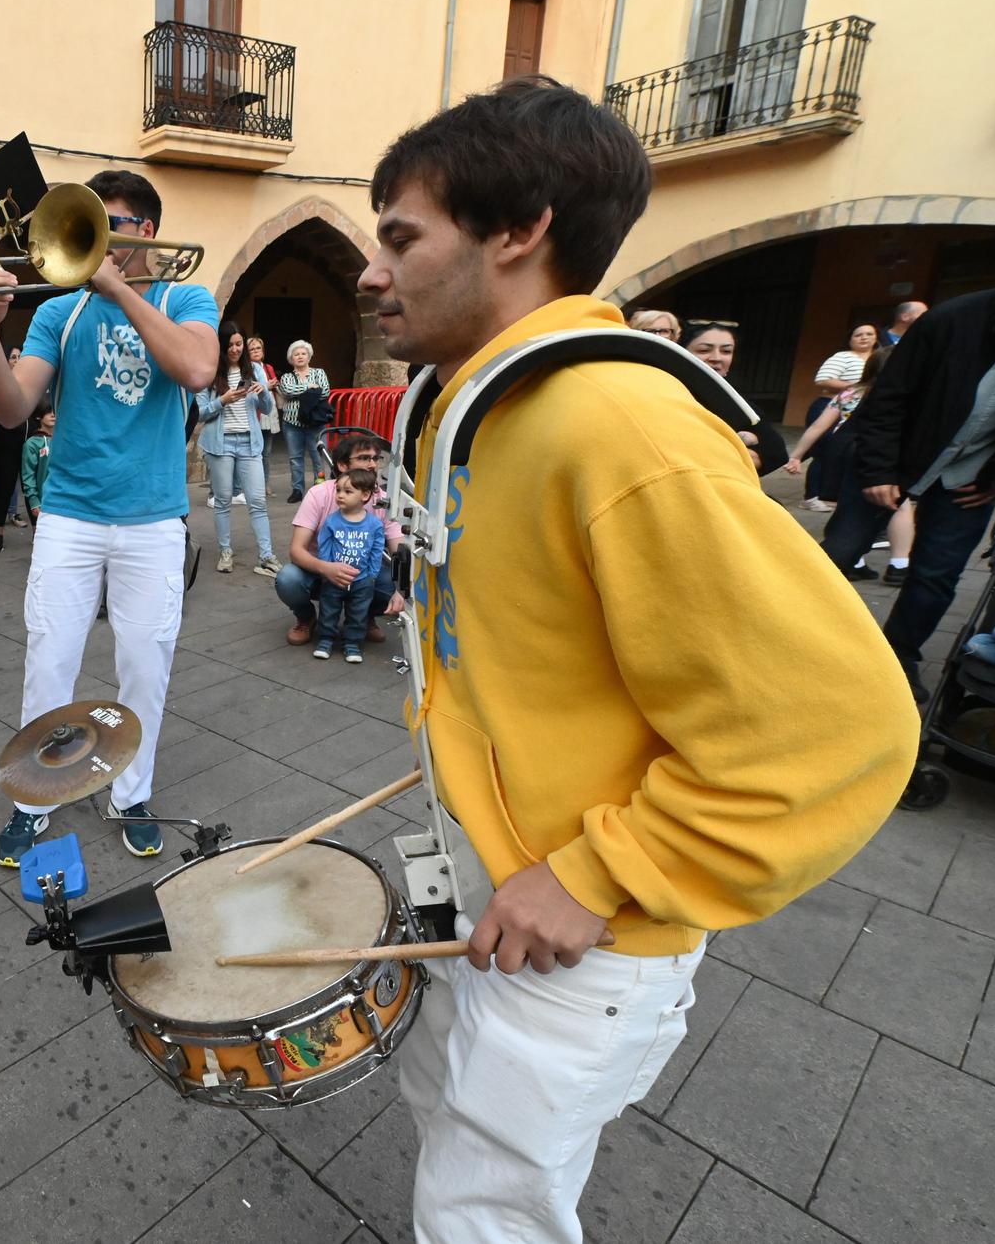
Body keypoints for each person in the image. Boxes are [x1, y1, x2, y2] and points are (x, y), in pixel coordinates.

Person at [359, 76, 911, 1241]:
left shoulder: (615, 426)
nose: (371, 270)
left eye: (400, 236)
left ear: (518, 231)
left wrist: (596, 869)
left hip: (582, 925)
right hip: (493, 877)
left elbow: (841, 725)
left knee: (483, 1215)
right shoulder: (479, 408)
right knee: (446, 1134)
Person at [0, 168, 220, 866]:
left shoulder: (187, 296)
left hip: (152, 517)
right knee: (50, 656)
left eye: (114, 226)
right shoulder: (59, 311)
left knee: (146, 662)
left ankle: (131, 792)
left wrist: (114, 286)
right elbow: (12, 409)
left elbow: (196, 369)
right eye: (93, 226)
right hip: (72, 514)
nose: (101, 241)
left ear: (146, 231)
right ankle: (33, 797)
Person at [819, 284, 995, 704]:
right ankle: (801, 643)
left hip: (969, 475)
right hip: (892, 459)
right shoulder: (953, 319)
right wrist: (877, 470)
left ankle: (897, 660)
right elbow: (888, 398)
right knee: (836, 555)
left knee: (937, 576)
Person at [791, 350, 911, 583]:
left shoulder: (851, 392)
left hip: (842, 451)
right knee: (899, 506)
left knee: (850, 512)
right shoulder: (901, 396)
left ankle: (856, 561)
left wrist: (796, 455)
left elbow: (818, 426)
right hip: (876, 458)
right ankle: (899, 564)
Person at [278, 436, 403, 646]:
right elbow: (296, 551)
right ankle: (306, 618)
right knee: (287, 579)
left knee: (395, 580)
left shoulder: (383, 499)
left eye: (376, 458)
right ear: (343, 465)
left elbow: (399, 549)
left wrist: (402, 590)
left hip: (362, 573)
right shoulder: (319, 494)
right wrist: (325, 568)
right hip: (318, 570)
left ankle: (364, 617)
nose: (373, 465)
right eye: (364, 458)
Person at [197, 326, 279, 576]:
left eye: (239, 344)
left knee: (258, 502)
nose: (235, 349)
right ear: (221, 346)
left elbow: (266, 409)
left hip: (249, 443)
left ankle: (266, 556)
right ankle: (225, 551)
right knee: (222, 502)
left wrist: (264, 392)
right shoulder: (209, 371)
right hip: (220, 445)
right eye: (230, 345)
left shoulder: (254, 370)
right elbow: (199, 412)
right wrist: (222, 401)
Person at [680, 324, 790, 476]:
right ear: (680, 353)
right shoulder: (667, 391)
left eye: (726, 351)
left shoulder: (736, 400)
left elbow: (776, 454)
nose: (716, 358)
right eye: (704, 350)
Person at [801, 323, 881, 511]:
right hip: (834, 405)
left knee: (845, 453)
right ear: (850, 340)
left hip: (860, 411)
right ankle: (812, 496)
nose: (864, 337)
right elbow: (823, 379)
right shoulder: (843, 357)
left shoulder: (879, 357)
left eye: (869, 334)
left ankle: (834, 495)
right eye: (858, 334)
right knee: (822, 451)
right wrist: (857, 388)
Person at [311, 468, 387, 663]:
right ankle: (326, 640)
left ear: (365, 495)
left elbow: (377, 550)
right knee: (329, 609)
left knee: (359, 613)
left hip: (362, 580)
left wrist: (372, 574)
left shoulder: (374, 524)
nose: (340, 495)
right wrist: (328, 570)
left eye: (348, 491)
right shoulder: (332, 521)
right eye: (338, 490)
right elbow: (325, 546)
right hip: (334, 578)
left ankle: (352, 644)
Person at [276, 339, 331, 502]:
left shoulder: (319, 373)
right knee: (295, 458)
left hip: (316, 423)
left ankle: (320, 488)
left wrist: (302, 391)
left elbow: (324, 391)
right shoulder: (287, 377)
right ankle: (297, 489)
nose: (300, 356)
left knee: (319, 457)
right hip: (292, 424)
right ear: (291, 358)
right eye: (296, 354)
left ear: (309, 356)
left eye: (303, 353)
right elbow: (287, 390)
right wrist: (309, 388)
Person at [0, 375, 29, 548]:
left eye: (20, 356)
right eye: (13, 357)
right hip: (5, 445)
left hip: (30, 442)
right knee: (4, 489)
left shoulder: (32, 383)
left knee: (32, 489)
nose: (17, 360)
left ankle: (37, 532)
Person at [247, 334, 279, 486]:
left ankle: (265, 483)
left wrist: (275, 385)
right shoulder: (246, 369)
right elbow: (249, 389)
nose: (255, 351)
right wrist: (267, 385)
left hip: (269, 412)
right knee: (252, 452)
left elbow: (275, 387)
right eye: (251, 349)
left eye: (258, 348)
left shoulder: (268, 367)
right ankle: (250, 485)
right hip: (255, 412)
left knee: (266, 453)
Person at [20, 403, 54, 522]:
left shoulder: (65, 438)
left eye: (55, 410)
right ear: (39, 416)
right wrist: (33, 501)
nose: (53, 414)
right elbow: (28, 474)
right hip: (44, 499)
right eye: (48, 412)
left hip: (66, 497)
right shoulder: (31, 444)